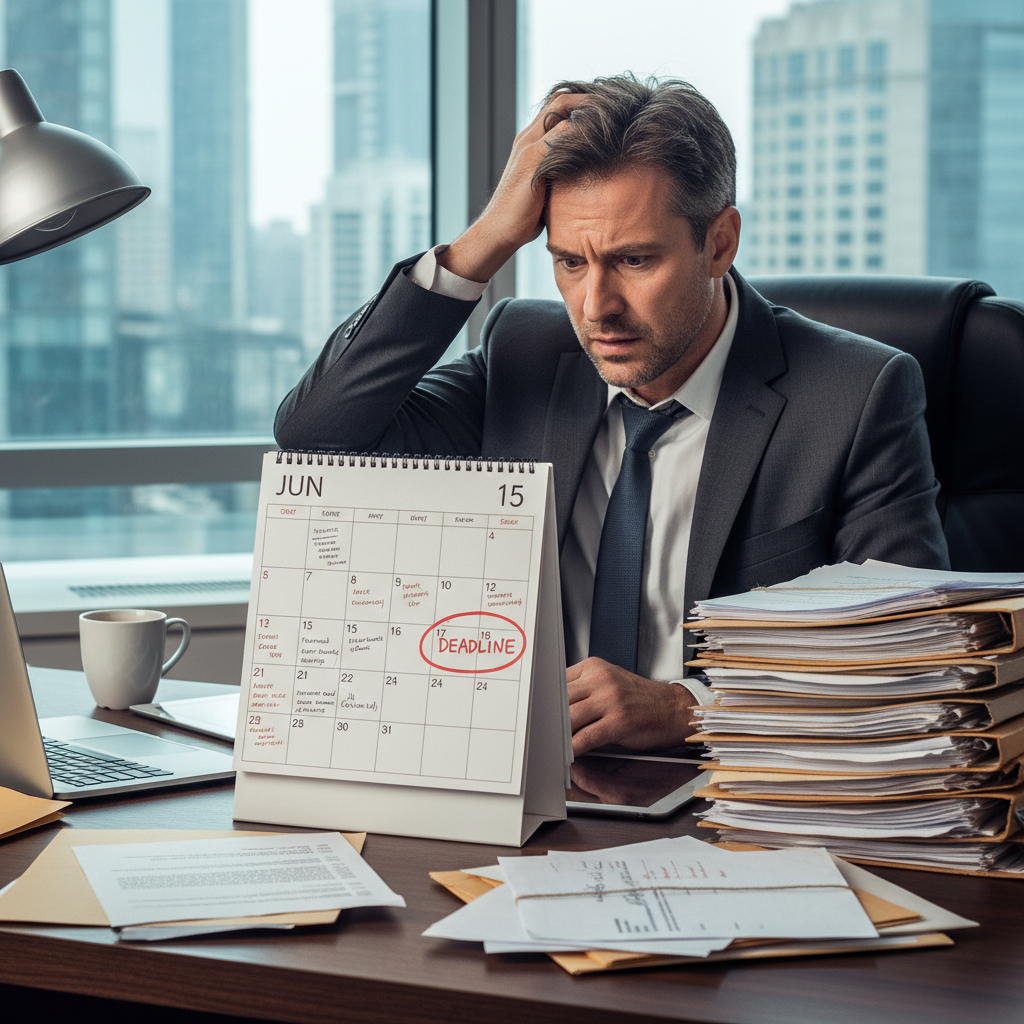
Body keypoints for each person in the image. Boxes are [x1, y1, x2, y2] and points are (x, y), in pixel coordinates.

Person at [275, 75, 950, 757]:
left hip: (734, 798)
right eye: (570, 262)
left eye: (634, 260)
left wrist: (690, 706)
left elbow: (908, 664)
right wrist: (486, 239)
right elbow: (319, 436)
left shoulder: (857, 394)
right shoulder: (524, 353)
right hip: (532, 795)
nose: (597, 306)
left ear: (719, 242)